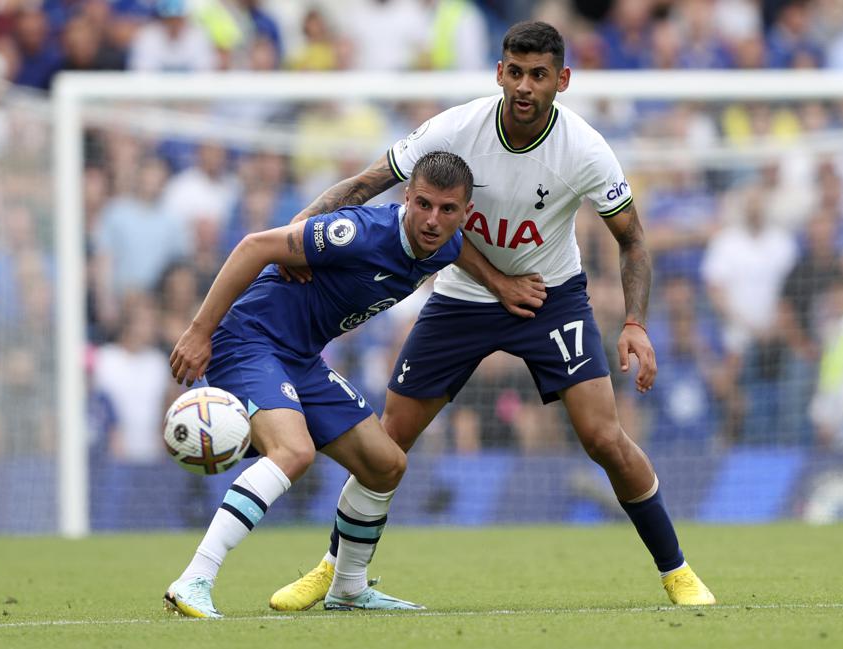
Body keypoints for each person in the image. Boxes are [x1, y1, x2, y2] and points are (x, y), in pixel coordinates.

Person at [270, 21, 715, 611]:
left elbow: (632, 241)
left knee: (605, 437)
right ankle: (336, 573)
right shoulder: (455, 130)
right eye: (515, 71)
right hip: (462, 295)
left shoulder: (584, 149)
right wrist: (292, 242)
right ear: (498, 72)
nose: (525, 86)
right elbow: (365, 184)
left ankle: (677, 572)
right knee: (388, 441)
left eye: (539, 75)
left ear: (563, 80)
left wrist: (634, 322)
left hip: (549, 295)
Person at [164, 151, 482, 617]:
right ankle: (194, 578)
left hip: (301, 359)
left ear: (464, 214)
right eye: (424, 205)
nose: (433, 220)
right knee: (294, 452)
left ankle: (348, 588)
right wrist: (199, 331)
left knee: (386, 464)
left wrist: (503, 284)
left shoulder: (447, 246)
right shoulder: (359, 231)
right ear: (408, 198)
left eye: (447, 210)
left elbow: (467, 252)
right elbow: (255, 246)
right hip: (250, 340)